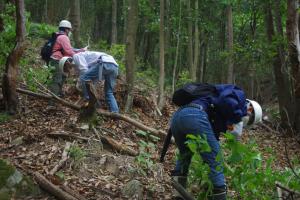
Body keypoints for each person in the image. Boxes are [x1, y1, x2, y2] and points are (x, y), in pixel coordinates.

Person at [167, 83, 262, 200]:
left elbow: (211, 140)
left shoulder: (220, 111)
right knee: (216, 162)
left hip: (177, 118)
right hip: (195, 115)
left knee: (185, 155)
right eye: (250, 119)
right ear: (250, 108)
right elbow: (226, 101)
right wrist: (237, 116)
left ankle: (178, 196)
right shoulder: (239, 98)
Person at [48, 20, 86, 98]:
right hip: (57, 60)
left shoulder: (58, 35)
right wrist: (78, 57)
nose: (69, 31)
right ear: (66, 29)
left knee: (62, 76)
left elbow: (69, 48)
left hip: (57, 59)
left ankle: (58, 94)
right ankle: (53, 100)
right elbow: (69, 51)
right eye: (69, 29)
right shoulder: (64, 37)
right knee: (57, 79)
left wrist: (79, 50)